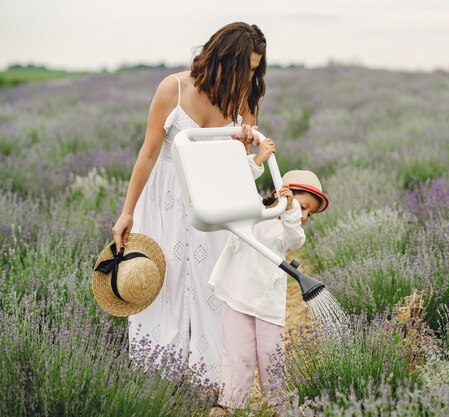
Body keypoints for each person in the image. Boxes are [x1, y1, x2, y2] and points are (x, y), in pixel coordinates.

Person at [111, 22, 271, 384]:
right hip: (164, 196)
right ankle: (157, 379)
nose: (249, 76)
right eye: (244, 67)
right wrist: (127, 211)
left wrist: (243, 146)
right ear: (223, 59)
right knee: (161, 282)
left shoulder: (243, 99)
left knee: (211, 287)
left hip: (210, 198)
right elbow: (149, 154)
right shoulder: (174, 88)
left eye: (254, 69)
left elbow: (238, 169)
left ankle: (210, 381)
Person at [208, 170, 329, 414]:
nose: (304, 216)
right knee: (236, 352)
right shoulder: (255, 213)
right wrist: (257, 161)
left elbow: (296, 240)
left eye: (309, 213)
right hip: (238, 295)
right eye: (303, 206)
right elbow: (237, 185)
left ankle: (277, 405)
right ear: (281, 192)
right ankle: (229, 403)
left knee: (271, 354)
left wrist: (292, 211)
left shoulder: (288, 229)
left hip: (266, 303)